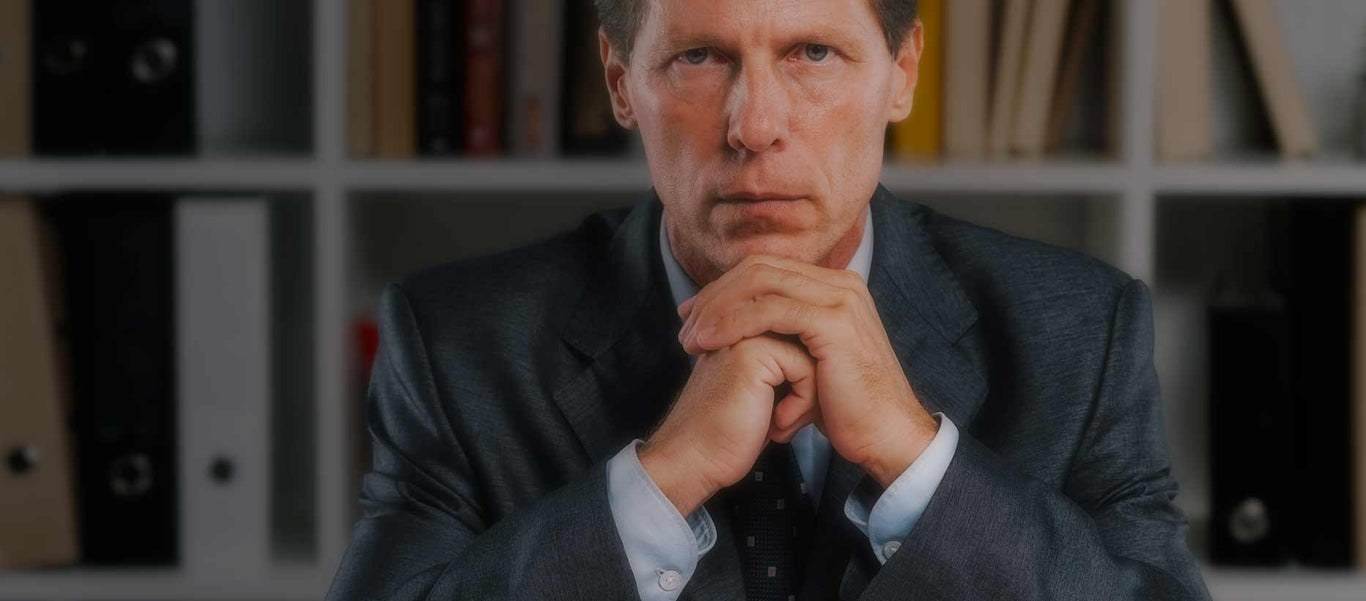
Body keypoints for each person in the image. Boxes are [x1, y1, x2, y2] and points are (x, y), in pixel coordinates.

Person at [326, 1, 1213, 599]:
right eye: (699, 57)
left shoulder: (1083, 330)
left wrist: (916, 456)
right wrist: (657, 479)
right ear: (618, 82)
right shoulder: (453, 341)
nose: (754, 126)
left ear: (902, 71)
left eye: (813, 53)